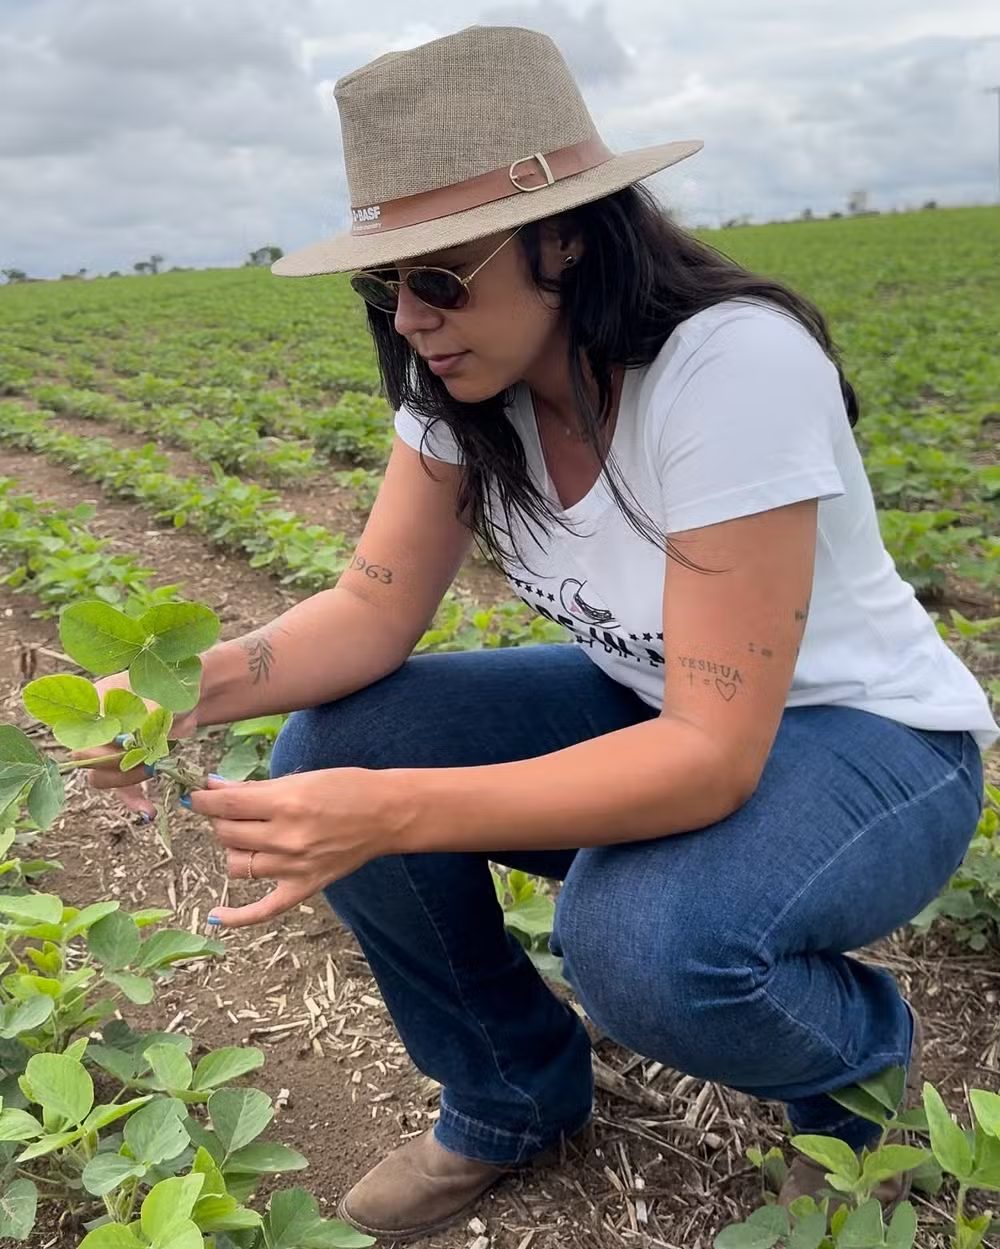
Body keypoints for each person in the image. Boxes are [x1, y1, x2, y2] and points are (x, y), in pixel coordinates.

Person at [86, 23, 998, 1245]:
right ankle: (510, 1094)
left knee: (637, 938)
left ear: (567, 235)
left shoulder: (727, 366)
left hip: (869, 747)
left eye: (441, 276)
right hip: (657, 702)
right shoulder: (469, 392)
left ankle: (854, 1082)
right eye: (386, 284)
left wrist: (398, 810)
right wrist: (170, 692)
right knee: (332, 744)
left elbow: (713, 753)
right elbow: (367, 611)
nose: (410, 316)